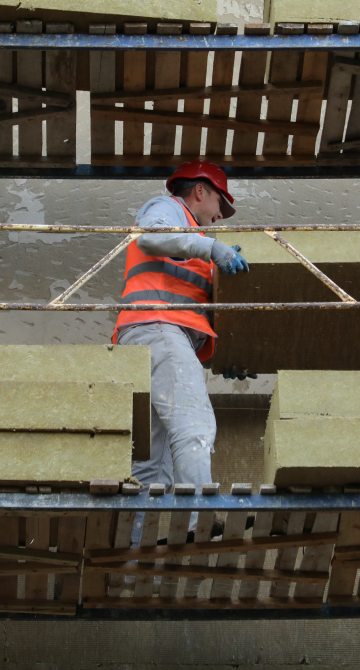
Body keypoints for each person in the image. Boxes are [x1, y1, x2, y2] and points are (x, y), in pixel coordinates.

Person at [112, 161, 249, 541]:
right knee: (194, 423)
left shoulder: (197, 252)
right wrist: (210, 247)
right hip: (157, 327)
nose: (221, 215)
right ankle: (200, 517)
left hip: (151, 336)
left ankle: (136, 542)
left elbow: (195, 311)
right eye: (220, 203)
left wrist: (231, 357)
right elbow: (150, 236)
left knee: (156, 458)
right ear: (200, 191)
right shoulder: (170, 209)